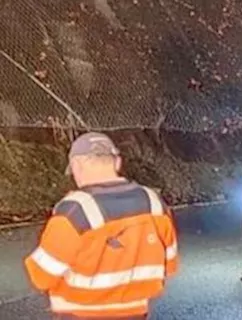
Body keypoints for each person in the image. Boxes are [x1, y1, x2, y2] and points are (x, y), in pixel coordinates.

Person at [24, 132, 179, 320]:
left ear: (77, 165)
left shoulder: (75, 211)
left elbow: (41, 276)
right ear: (117, 163)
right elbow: (169, 265)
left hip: (78, 314)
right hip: (136, 314)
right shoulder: (154, 204)